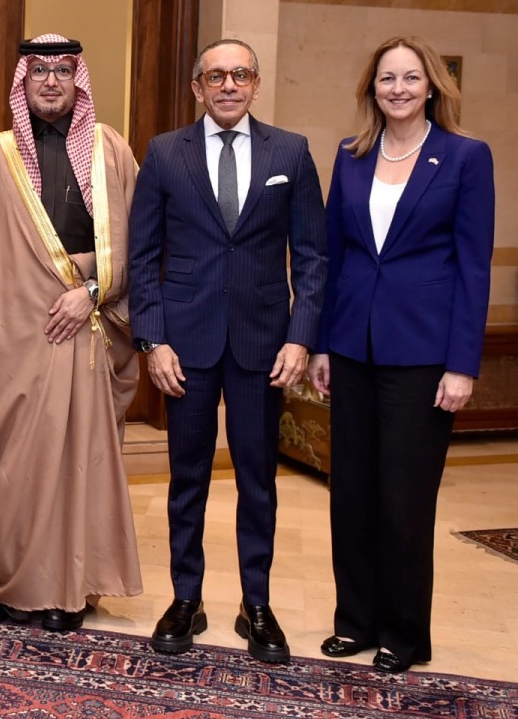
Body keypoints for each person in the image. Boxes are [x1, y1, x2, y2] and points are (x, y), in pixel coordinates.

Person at [128, 38, 327, 664]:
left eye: (240, 74)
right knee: (186, 479)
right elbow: (143, 256)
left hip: (263, 345)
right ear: (198, 88)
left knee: (257, 480)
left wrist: (300, 336)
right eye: (215, 76)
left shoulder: (290, 152)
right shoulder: (165, 152)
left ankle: (256, 603)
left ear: (256, 84)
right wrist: (153, 339)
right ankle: (186, 598)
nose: (229, 85)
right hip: (184, 346)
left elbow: (313, 256)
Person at [0, 34, 143, 632]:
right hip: (5, 331)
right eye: (39, 71)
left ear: (79, 79)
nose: (51, 81)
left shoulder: (111, 151)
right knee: (8, 463)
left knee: (70, 462)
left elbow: (141, 241)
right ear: (22, 82)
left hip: (80, 328)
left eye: (62, 71)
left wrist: (93, 293)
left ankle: (63, 589)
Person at [308, 36, 494, 674]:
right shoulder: (351, 154)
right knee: (351, 492)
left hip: (423, 354)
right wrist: (323, 343)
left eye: (411, 78)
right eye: (387, 78)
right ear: (372, 88)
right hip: (352, 347)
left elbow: (473, 267)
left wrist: (463, 363)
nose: (399, 89)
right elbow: (333, 256)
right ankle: (355, 621)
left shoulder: (466, 157)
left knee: (405, 498)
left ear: (432, 86)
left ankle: (404, 633)